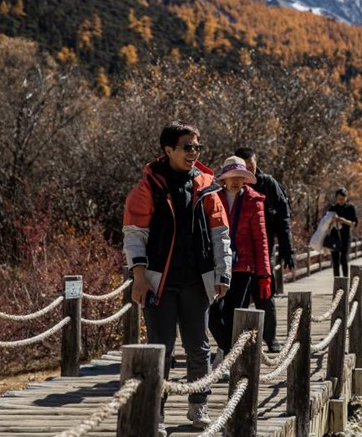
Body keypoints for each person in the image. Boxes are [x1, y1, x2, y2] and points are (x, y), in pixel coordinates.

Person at [122, 121, 232, 433]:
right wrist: (139, 275)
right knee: (160, 349)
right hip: (159, 281)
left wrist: (223, 274)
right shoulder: (147, 188)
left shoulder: (208, 185)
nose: (194, 153)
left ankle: (199, 406)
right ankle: (154, 412)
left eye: (197, 147)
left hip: (198, 281)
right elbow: (134, 234)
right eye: (187, 147)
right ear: (168, 150)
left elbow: (220, 235)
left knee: (199, 348)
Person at [208, 156, 272, 376]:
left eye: (241, 177)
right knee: (211, 311)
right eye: (232, 177)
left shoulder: (254, 201)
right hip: (216, 263)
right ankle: (225, 350)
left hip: (242, 266)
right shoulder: (211, 198)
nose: (236, 181)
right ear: (224, 179)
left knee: (235, 314)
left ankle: (227, 359)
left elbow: (261, 239)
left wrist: (264, 275)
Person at [234, 147, 294, 353]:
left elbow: (283, 220)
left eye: (251, 164)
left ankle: (271, 338)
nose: (249, 169)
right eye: (244, 166)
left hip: (263, 247)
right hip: (238, 250)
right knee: (238, 296)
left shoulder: (269, 185)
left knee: (264, 293)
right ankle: (236, 341)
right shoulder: (232, 183)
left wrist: (288, 250)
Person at [327, 187, 358, 277]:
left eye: (343, 198)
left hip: (346, 236)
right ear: (336, 198)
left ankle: (345, 281)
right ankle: (337, 282)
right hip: (334, 236)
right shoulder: (332, 208)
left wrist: (343, 221)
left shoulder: (350, 208)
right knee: (335, 261)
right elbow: (326, 225)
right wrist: (332, 220)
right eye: (339, 198)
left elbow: (354, 224)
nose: (341, 200)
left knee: (344, 259)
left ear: (346, 198)